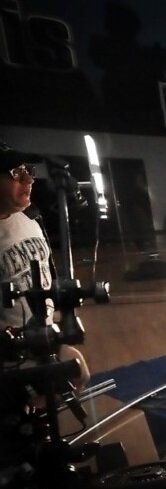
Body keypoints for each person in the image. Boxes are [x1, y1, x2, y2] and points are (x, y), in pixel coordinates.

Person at [0, 143, 90, 393]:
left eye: (28, 170)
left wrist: (53, 344)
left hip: (40, 347)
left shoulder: (30, 218)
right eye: (16, 173)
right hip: (10, 364)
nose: (29, 179)